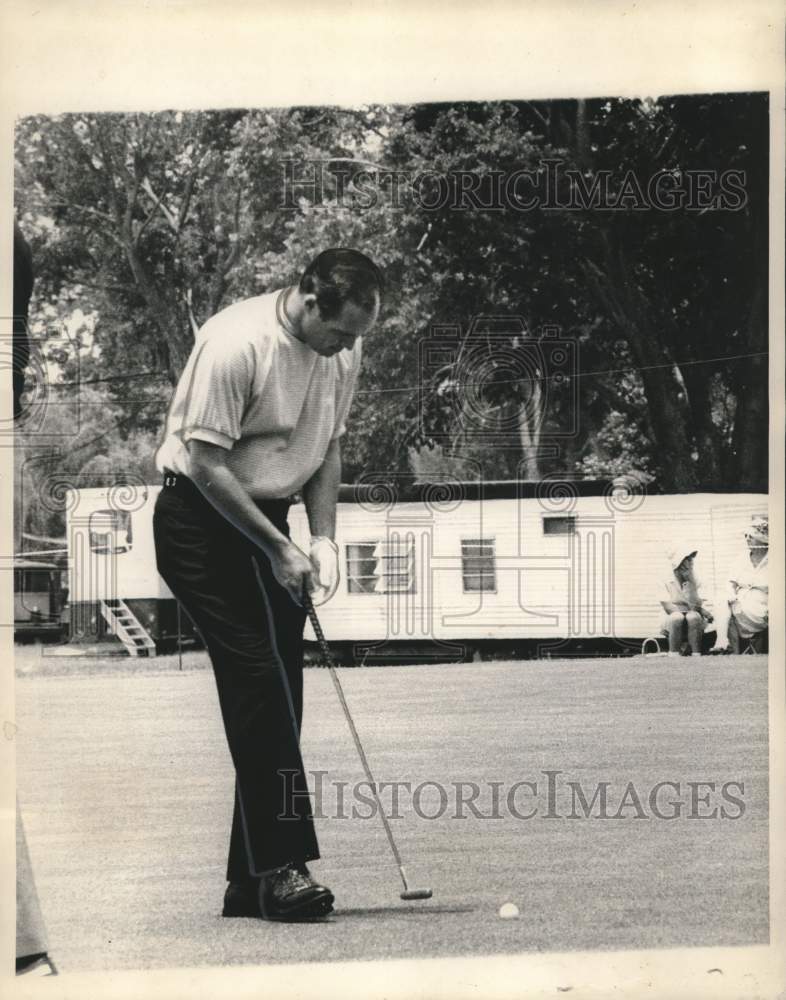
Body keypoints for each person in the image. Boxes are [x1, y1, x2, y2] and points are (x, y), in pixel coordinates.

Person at [152, 248, 383, 921]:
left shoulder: (344, 349)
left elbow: (326, 444)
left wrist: (322, 539)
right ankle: (283, 868)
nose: (346, 348)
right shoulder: (234, 342)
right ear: (309, 300)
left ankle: (246, 880)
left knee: (281, 696)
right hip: (199, 521)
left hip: (270, 522)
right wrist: (280, 549)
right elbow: (205, 465)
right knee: (258, 682)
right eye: (339, 332)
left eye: (357, 336)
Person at [710, 514, 768, 654]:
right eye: (746, 536)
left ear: (762, 538)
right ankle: (722, 642)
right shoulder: (742, 558)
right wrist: (731, 594)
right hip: (739, 604)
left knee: (725, 611)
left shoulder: (775, 559)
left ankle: (723, 642)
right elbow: (731, 582)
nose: (747, 539)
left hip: (762, 609)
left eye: (751, 536)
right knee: (722, 599)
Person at [660, 547, 713, 656]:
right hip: (671, 616)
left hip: (692, 613)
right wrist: (700, 611)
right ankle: (674, 655)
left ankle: (696, 655)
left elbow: (696, 605)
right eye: (687, 559)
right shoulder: (664, 578)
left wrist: (690, 583)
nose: (691, 562)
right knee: (677, 617)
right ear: (678, 562)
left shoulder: (695, 577)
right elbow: (668, 607)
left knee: (693, 617)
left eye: (691, 559)